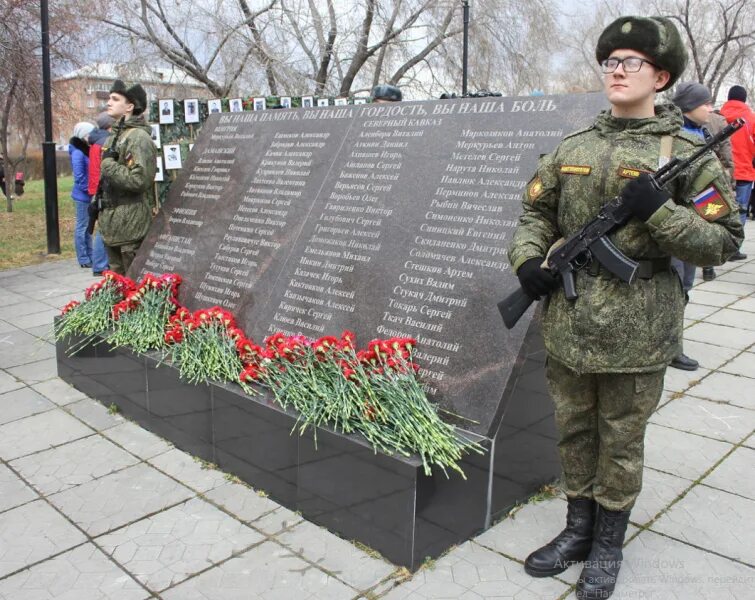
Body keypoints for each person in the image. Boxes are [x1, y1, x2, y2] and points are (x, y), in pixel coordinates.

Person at [508, 16, 743, 600]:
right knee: (574, 431)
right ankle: (576, 530)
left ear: (661, 76)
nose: (616, 70)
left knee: (619, 439)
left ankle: (607, 545)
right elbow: (535, 215)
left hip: (638, 330)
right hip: (569, 323)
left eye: (631, 61)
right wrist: (528, 263)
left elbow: (724, 241)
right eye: (610, 60)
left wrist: (659, 210)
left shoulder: (688, 156)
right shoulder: (573, 147)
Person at [667, 81, 720, 370]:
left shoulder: (702, 133)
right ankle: (671, 347)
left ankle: (669, 341)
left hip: (696, 222)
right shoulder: (674, 138)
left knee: (685, 285)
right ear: (689, 107)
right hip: (677, 224)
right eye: (705, 104)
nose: (710, 108)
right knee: (676, 287)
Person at [98, 79, 157, 275]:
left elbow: (139, 180)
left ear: (129, 107)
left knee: (134, 289)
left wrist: (108, 165)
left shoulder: (137, 137)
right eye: (109, 98)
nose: (109, 102)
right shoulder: (115, 136)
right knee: (118, 290)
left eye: (115, 99)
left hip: (131, 229)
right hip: (114, 227)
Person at [720, 85, 754, 260]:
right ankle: (733, 249)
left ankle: (717, 246)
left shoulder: (718, 116)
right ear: (744, 99)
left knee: (718, 208)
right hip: (744, 171)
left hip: (721, 172)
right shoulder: (750, 118)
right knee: (740, 210)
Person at [85, 111, 114, 276]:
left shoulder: (96, 141)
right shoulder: (105, 142)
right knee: (103, 227)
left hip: (95, 188)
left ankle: (101, 263)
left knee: (101, 225)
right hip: (101, 189)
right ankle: (101, 265)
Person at [68, 121, 96, 269]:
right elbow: (79, 176)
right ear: (82, 135)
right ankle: (83, 258)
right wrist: (89, 190)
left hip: (88, 194)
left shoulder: (85, 149)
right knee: (82, 227)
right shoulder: (78, 153)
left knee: (87, 228)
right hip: (82, 196)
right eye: (89, 134)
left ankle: (90, 255)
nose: (91, 136)